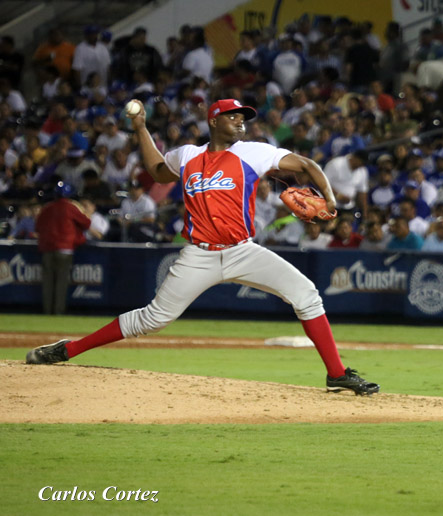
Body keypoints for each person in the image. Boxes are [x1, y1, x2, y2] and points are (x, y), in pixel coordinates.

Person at [25, 98, 379, 396]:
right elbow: (157, 170)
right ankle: (68, 349)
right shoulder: (187, 156)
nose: (240, 122)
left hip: (244, 250)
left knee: (306, 295)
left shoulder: (254, 152)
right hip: (199, 254)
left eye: (243, 117)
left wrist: (329, 198)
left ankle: (336, 374)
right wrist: (141, 129)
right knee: (153, 318)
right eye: (233, 116)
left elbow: (305, 165)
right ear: (214, 120)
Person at [35, 182, 92, 315]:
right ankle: (58, 312)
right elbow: (86, 223)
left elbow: (37, 226)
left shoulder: (47, 207)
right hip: (65, 249)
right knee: (61, 283)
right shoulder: (70, 207)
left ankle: (47, 312)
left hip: (47, 248)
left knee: (48, 283)